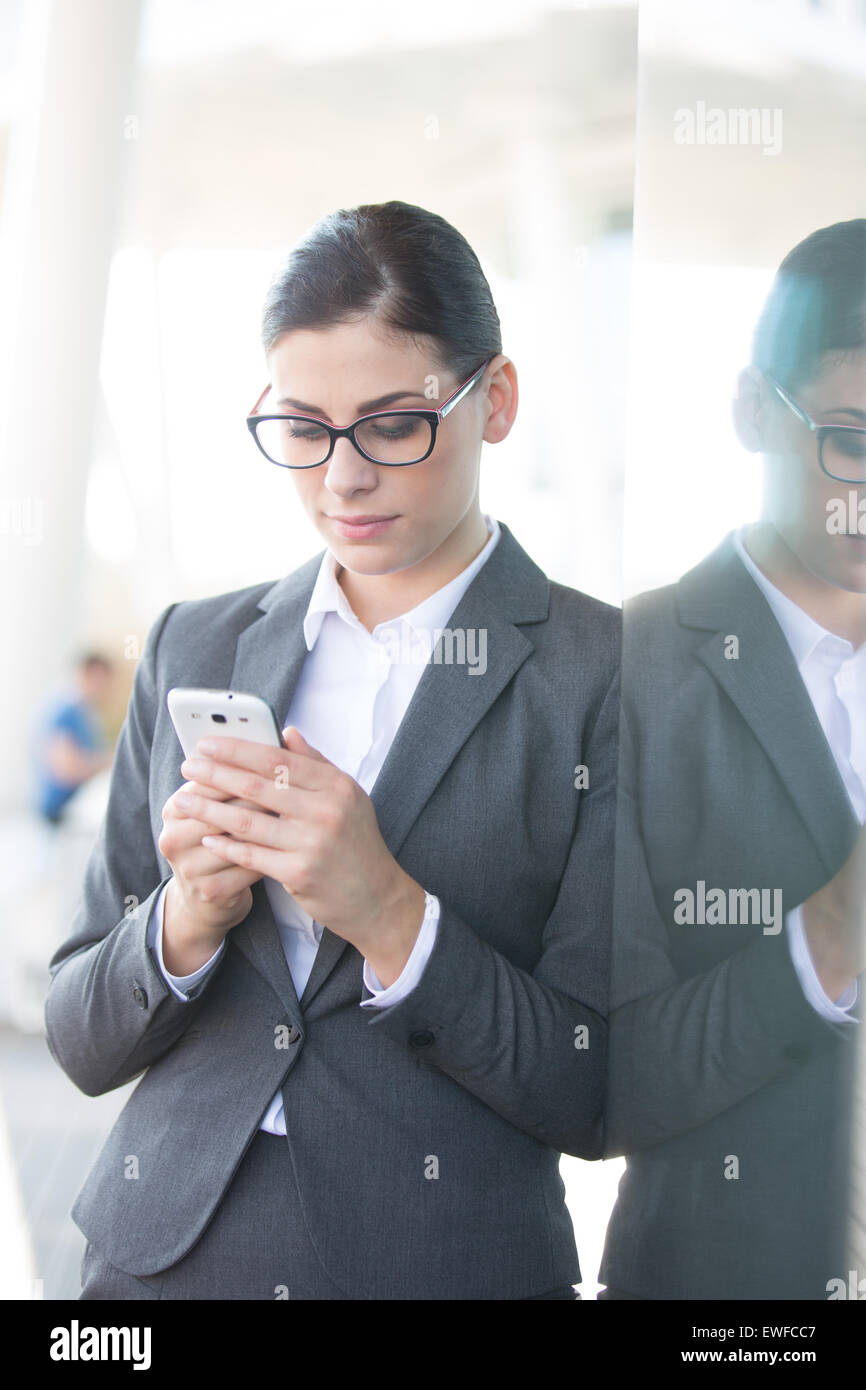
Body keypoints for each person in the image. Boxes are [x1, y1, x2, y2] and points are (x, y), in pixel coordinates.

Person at [45, 200, 620, 1300]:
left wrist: (392, 913)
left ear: (492, 400)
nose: (342, 478)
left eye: (393, 423)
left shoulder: (605, 678)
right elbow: (79, 1037)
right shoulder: (194, 643)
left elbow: (601, 1093)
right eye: (302, 428)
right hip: (158, 1264)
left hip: (439, 1266)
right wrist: (183, 918)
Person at [600, 218, 866, 1300]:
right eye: (851, 435)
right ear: (753, 409)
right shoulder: (621, 671)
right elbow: (596, 1077)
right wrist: (830, 933)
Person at [34, 653, 115, 826]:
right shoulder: (65, 711)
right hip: (59, 810)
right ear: (87, 674)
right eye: (100, 680)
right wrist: (106, 762)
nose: (104, 688)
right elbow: (65, 769)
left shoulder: (84, 712)